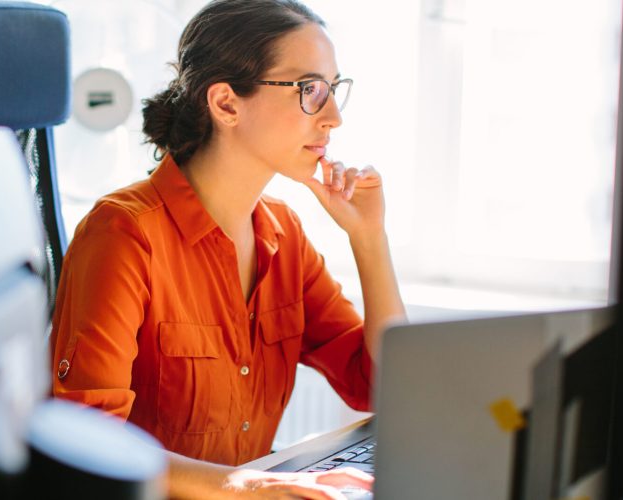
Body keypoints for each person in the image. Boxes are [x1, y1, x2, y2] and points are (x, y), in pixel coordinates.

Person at [49, 0, 406, 497]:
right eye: (311, 91)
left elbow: (383, 388)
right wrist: (242, 486)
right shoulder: (124, 234)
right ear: (226, 104)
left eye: (334, 89)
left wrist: (369, 239)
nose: (334, 118)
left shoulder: (284, 233)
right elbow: (86, 441)